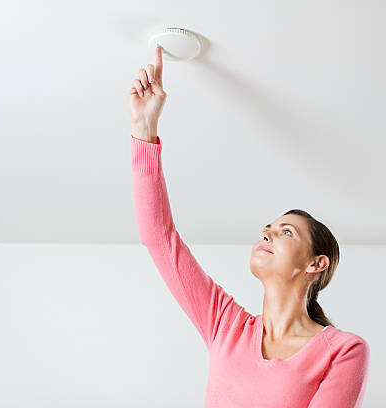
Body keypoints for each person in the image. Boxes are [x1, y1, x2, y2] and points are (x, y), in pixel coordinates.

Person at [127, 46, 371, 408]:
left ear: (315, 264)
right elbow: (158, 238)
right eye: (268, 228)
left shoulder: (343, 350)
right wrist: (144, 129)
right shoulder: (225, 324)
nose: (267, 233)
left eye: (287, 232)